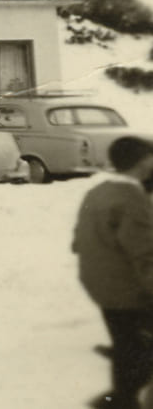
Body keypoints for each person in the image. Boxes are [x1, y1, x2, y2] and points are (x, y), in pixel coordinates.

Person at [73, 135, 153, 409]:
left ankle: (123, 393)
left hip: (99, 285)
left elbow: (77, 242)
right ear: (144, 163)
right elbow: (145, 256)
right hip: (126, 292)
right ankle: (127, 397)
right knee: (138, 345)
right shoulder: (130, 199)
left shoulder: (98, 191)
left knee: (128, 344)